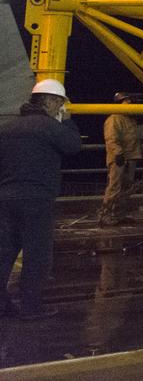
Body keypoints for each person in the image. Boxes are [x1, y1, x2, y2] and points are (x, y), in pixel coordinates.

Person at [0, 79, 82, 320]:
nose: (60, 108)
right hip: (36, 200)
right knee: (36, 255)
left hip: (5, 198)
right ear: (52, 101)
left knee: (4, 253)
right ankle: (30, 308)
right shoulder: (49, 127)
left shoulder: (8, 128)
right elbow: (73, 146)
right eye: (60, 104)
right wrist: (67, 121)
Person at [98, 93, 142, 227]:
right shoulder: (114, 119)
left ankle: (119, 214)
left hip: (130, 158)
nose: (130, 104)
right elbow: (111, 139)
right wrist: (118, 154)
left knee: (126, 188)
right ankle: (106, 215)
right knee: (115, 187)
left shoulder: (130, 119)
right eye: (127, 101)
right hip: (119, 159)